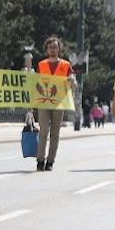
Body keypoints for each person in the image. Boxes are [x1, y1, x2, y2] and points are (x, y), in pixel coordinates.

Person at [35, 36, 72, 171]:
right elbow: (35, 82)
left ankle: (50, 161)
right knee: (43, 131)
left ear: (59, 49)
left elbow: (71, 78)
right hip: (43, 102)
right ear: (47, 49)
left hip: (59, 103)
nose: (53, 49)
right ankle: (40, 160)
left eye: (55, 47)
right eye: (50, 47)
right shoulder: (41, 64)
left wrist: (72, 80)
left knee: (55, 133)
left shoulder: (66, 65)